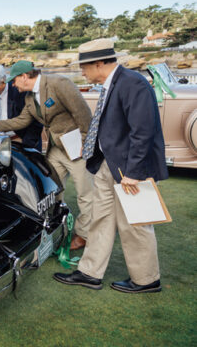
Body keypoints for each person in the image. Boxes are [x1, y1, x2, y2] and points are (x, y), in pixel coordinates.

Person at [54, 38, 168, 293]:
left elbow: (143, 132)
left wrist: (134, 173)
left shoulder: (133, 84)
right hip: (108, 165)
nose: (81, 71)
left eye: (84, 66)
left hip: (130, 170)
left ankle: (147, 280)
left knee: (135, 225)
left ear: (99, 63)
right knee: (101, 219)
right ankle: (89, 273)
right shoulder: (112, 84)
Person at [0, 61, 93, 250]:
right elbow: (22, 120)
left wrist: (85, 142)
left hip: (76, 148)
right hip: (55, 148)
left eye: (15, 80)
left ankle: (84, 235)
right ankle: (57, 225)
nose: (13, 85)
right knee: (50, 190)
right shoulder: (28, 97)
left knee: (85, 194)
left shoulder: (59, 84)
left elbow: (82, 113)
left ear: (25, 76)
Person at [0, 64, 43, 150]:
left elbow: (36, 121)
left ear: (3, 81)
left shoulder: (20, 91)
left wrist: (26, 144)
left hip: (19, 140)